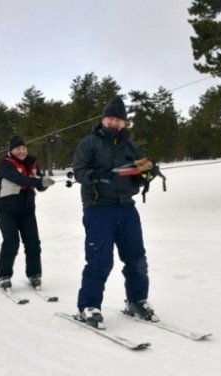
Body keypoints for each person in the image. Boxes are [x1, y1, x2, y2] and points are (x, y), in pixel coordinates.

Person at [71, 96, 157, 328]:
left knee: (136, 258)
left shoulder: (131, 147)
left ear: (125, 123)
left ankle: (136, 300)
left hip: (126, 208)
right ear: (103, 119)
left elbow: (143, 171)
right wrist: (98, 176)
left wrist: (149, 172)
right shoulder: (89, 143)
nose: (115, 123)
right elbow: (79, 171)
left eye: (120, 120)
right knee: (99, 260)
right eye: (111, 118)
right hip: (98, 208)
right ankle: (88, 306)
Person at [0, 135, 55, 290]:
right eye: (18, 149)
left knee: (33, 242)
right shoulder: (5, 164)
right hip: (6, 210)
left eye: (23, 148)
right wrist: (38, 182)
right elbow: (19, 179)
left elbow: (38, 184)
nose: (21, 151)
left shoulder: (32, 162)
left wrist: (44, 183)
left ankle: (34, 274)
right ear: (11, 150)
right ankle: (3, 275)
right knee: (11, 242)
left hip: (27, 210)